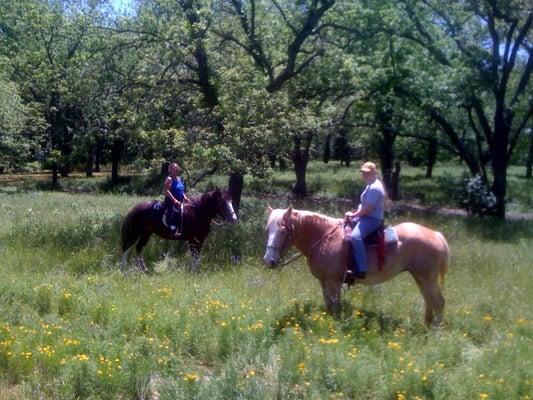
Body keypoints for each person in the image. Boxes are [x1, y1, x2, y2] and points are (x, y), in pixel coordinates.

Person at [344, 161, 385, 280]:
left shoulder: (375, 188)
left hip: (372, 219)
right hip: (365, 216)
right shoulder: (370, 184)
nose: (364, 175)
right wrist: (354, 214)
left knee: (355, 237)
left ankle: (361, 269)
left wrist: (353, 215)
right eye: (363, 173)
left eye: (367, 173)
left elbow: (368, 209)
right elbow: (364, 205)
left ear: (374, 172)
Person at [163, 162, 190, 237]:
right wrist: (174, 200)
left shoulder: (180, 178)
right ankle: (172, 230)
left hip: (180, 200)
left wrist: (185, 198)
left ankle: (184, 229)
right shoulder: (169, 179)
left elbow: (181, 191)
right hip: (171, 200)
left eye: (177, 168)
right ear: (170, 170)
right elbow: (166, 191)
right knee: (175, 212)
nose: (176, 169)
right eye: (174, 168)